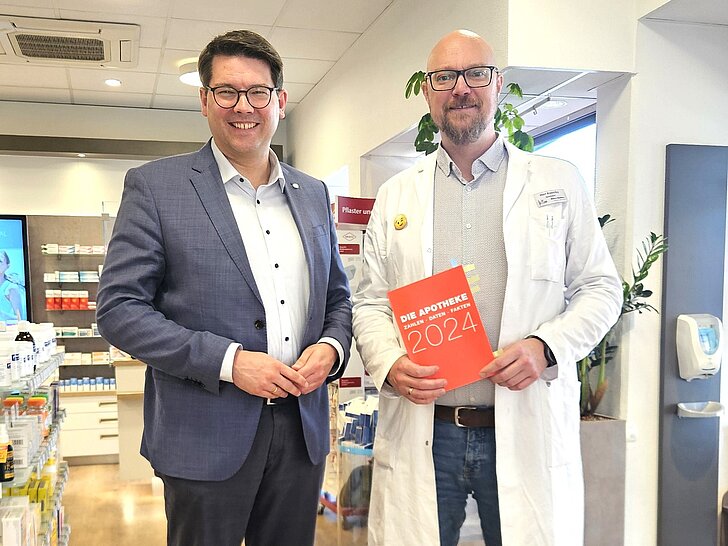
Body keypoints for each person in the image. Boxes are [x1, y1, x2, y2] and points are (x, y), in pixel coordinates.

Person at [352, 29, 623, 546]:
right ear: (428, 91)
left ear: (497, 84)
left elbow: (600, 289)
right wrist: (389, 362)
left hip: (522, 424)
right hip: (429, 430)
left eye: (475, 74)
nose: (461, 88)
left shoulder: (558, 182)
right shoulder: (396, 195)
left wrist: (546, 347)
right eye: (445, 77)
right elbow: (369, 300)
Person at [96, 30, 352, 546]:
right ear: (204, 100)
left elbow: (337, 299)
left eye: (257, 92)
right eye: (227, 92)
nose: (243, 106)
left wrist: (331, 347)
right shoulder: (157, 187)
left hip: (301, 432)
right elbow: (119, 309)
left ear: (279, 100)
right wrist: (231, 362)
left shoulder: (312, 193)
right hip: (203, 436)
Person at [0, 251, 24, 323]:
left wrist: (2, 314)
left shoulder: (11, 288)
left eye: (0, 261)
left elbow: (20, 320)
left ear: (7, 266)